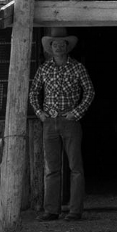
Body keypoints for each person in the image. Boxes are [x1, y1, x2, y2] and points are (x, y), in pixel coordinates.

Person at [28, 30, 95, 220]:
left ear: (67, 47)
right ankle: (51, 210)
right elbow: (34, 92)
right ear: (50, 48)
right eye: (54, 44)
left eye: (62, 44)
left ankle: (75, 211)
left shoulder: (77, 68)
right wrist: (40, 113)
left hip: (70, 121)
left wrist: (77, 112)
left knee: (75, 167)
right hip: (49, 121)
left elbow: (89, 92)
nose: (58, 47)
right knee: (52, 168)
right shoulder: (44, 69)